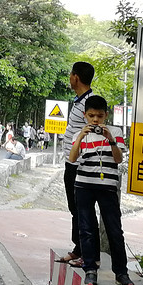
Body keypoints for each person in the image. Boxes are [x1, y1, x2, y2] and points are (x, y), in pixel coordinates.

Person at [68, 95, 134, 285]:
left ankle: (121, 272)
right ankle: (90, 270)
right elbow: (72, 159)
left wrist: (111, 140)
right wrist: (81, 136)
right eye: (91, 116)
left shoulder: (115, 131)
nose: (95, 120)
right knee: (86, 229)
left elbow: (118, 159)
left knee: (115, 230)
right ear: (85, 115)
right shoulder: (80, 134)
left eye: (99, 116)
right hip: (83, 185)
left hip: (107, 187)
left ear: (106, 115)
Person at [56, 61, 95, 267]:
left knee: (83, 208)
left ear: (76, 78)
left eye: (71, 75)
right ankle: (78, 248)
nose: (70, 78)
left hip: (80, 164)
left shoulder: (90, 103)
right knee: (75, 207)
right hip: (71, 162)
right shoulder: (79, 101)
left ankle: (88, 254)